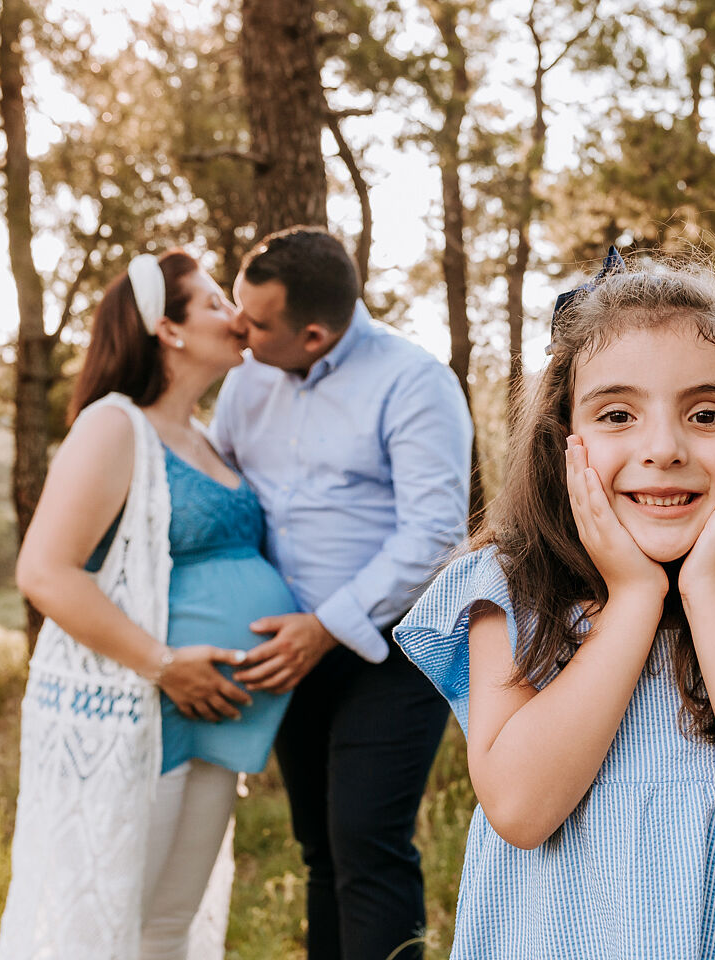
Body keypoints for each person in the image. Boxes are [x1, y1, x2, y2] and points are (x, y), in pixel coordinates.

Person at [394, 249, 715, 958]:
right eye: (618, 413)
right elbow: (522, 809)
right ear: (566, 439)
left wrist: (708, 593)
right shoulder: (507, 592)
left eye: (707, 414)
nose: (663, 448)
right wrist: (635, 598)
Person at [0, 249, 300, 960]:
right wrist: (164, 665)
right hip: (145, 712)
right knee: (110, 930)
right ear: (166, 327)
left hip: (216, 719)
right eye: (217, 302)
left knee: (168, 926)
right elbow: (44, 570)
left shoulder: (202, 436)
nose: (239, 317)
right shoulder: (113, 425)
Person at [211, 227, 473, 959]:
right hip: (286, 650)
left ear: (316, 333)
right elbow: (221, 490)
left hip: (391, 651)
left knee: (368, 841)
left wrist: (324, 627)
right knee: (319, 846)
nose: (240, 329)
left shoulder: (414, 382)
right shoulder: (243, 382)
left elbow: (431, 535)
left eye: (257, 323)